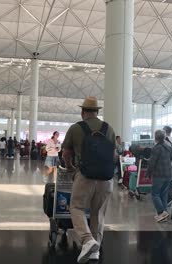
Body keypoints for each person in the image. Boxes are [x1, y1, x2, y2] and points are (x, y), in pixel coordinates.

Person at [62, 97, 116, 263]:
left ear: (83, 111)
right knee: (98, 213)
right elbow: (114, 155)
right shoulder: (109, 129)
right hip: (106, 178)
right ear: (97, 112)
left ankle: (87, 240)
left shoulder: (76, 128)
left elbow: (66, 153)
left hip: (85, 176)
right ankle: (95, 251)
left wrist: (70, 167)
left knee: (76, 207)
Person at [147, 130, 172, 223]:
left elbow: (152, 163)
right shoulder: (169, 147)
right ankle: (164, 216)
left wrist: (148, 173)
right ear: (164, 138)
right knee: (163, 195)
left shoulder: (156, 148)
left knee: (155, 194)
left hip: (159, 175)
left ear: (155, 138)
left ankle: (161, 212)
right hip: (168, 175)